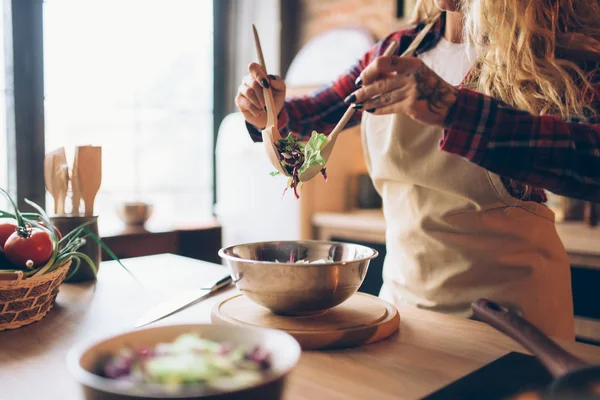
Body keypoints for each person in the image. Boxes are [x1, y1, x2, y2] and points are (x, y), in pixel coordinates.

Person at [235, 0, 600, 340]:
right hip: (404, 312)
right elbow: (310, 115)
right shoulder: (395, 51)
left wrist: (454, 110)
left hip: (514, 325)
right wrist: (269, 109)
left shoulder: (546, 50)